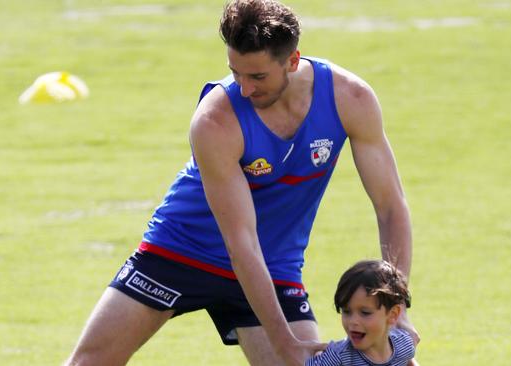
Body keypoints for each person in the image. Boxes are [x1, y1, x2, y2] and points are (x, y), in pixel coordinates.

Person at [64, 0, 418, 365]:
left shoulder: (351, 99)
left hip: (273, 266)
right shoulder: (215, 121)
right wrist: (284, 343)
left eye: (258, 77)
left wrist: (397, 307)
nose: (245, 89)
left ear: (292, 61)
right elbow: (241, 242)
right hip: (181, 250)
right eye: (235, 73)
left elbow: (390, 206)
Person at [306, 260, 417, 366]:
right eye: (346, 311)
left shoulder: (404, 345)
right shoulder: (338, 356)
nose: (353, 321)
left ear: (393, 314)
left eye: (365, 313)